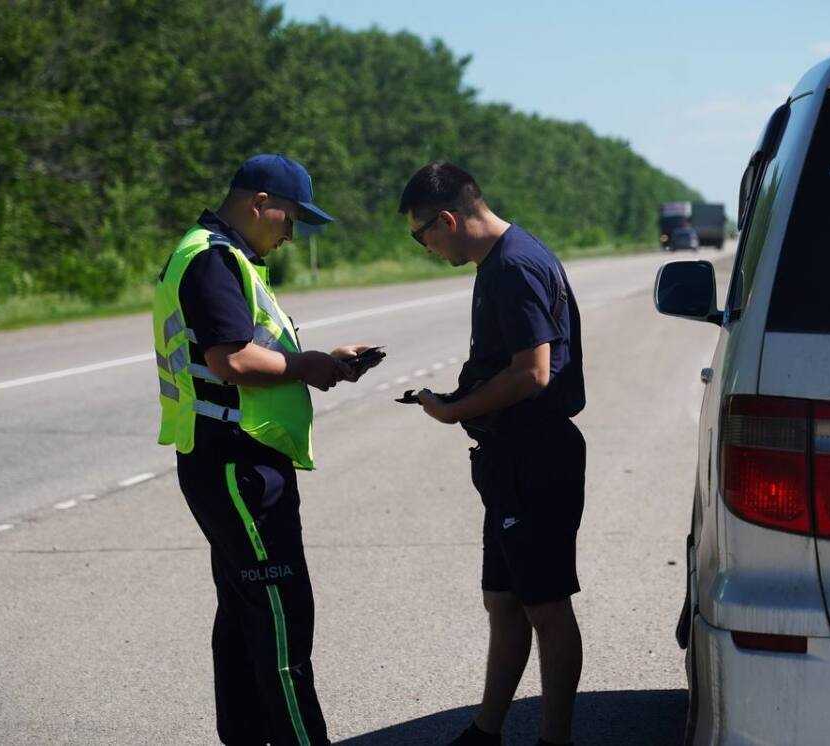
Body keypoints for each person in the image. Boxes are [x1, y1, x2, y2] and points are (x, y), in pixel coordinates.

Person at [152, 153, 379, 745]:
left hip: (232, 455)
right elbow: (231, 361)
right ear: (259, 204)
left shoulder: (223, 256)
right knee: (281, 614)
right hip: (235, 461)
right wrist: (308, 366)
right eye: (290, 219)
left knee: (246, 612)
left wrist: (322, 362)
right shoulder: (212, 259)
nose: (292, 233)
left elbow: (250, 349)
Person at [398, 162, 586, 746]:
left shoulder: (515, 266)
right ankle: (486, 731)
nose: (424, 246)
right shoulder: (497, 263)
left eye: (421, 234)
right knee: (504, 600)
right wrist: (462, 398)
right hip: (508, 455)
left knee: (546, 606)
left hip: (537, 455)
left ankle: (555, 739)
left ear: (448, 219)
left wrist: (455, 410)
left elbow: (532, 373)